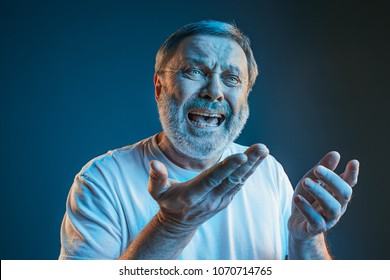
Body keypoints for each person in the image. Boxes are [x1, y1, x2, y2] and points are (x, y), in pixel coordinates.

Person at [59, 20, 359, 260]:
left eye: (232, 78)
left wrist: (307, 241)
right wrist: (171, 227)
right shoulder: (102, 181)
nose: (213, 91)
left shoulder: (269, 173)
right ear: (159, 87)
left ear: (246, 97)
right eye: (194, 71)